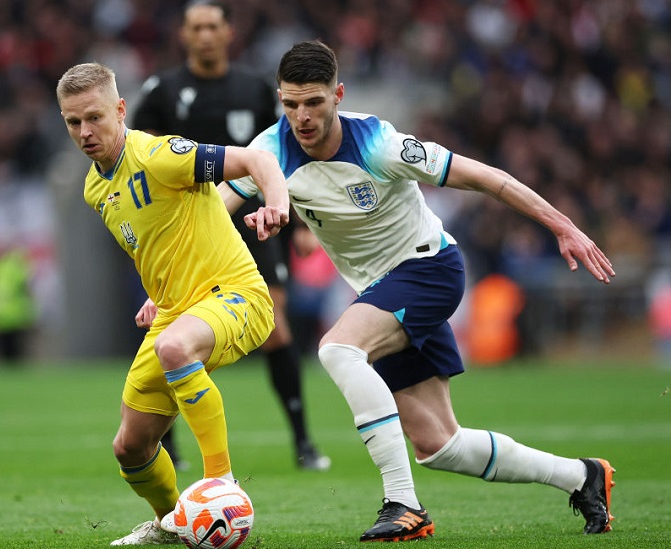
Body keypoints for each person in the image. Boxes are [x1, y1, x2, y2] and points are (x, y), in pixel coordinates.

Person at [219, 40, 617, 542]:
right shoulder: (268, 150)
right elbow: (214, 212)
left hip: (428, 269)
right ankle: (581, 477)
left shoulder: (380, 145)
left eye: (314, 102)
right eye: (291, 103)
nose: (302, 116)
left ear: (338, 95)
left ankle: (403, 505)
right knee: (440, 445)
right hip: (380, 291)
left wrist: (563, 226)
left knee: (339, 349)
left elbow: (486, 178)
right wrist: (172, 283)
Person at [56, 61, 289, 546]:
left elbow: (257, 162)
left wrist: (277, 205)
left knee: (176, 349)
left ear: (121, 110)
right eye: (73, 122)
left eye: (95, 117)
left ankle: (220, 487)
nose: (85, 131)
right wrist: (156, 294)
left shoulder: (162, 155)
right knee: (130, 447)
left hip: (236, 294)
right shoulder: (94, 187)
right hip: (174, 310)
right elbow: (160, 239)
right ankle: (173, 524)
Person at [131, 0, 329, 471]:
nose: (204, 36)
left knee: (276, 327)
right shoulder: (163, 90)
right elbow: (137, 160)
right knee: (173, 332)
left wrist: (297, 220)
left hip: (253, 223)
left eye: (212, 27)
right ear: (184, 34)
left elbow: (282, 156)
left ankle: (302, 440)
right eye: (195, 27)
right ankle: (170, 446)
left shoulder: (255, 90)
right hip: (186, 234)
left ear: (227, 33)